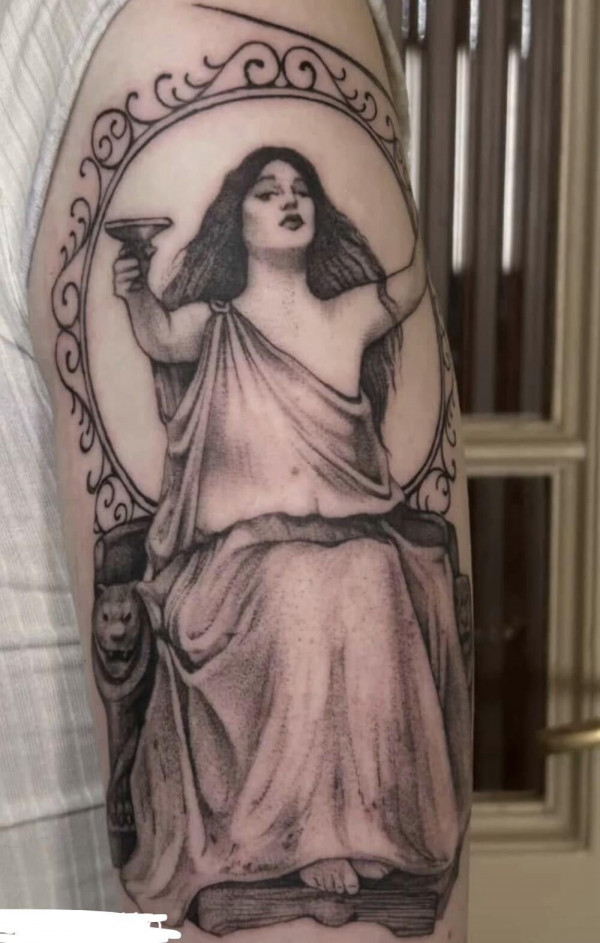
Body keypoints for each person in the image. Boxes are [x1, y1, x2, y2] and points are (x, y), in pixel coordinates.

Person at [108, 146, 470, 918]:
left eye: (301, 188)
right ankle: (305, 836)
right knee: (298, 583)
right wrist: (135, 287)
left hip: (347, 538)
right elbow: (158, 337)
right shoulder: (216, 324)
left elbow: (409, 285)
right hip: (241, 562)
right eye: (266, 192)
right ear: (235, 219)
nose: (288, 200)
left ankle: (369, 823)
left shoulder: (348, 316)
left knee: (372, 571)